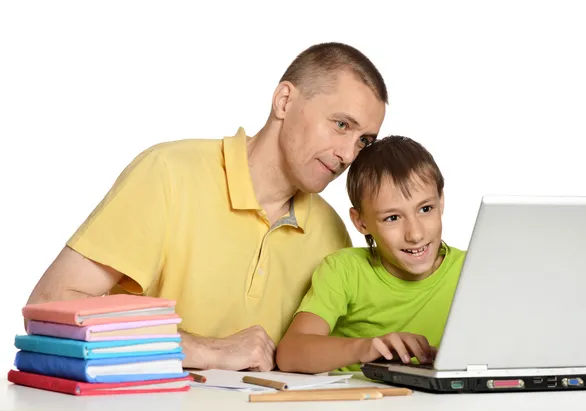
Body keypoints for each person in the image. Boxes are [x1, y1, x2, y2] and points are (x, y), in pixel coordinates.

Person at [25, 42, 387, 372]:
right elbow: (49, 307)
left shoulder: (333, 232)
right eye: (341, 125)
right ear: (284, 101)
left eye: (363, 141)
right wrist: (205, 350)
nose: (347, 155)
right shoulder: (167, 173)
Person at [275, 135, 466, 373]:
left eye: (425, 209)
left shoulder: (472, 270)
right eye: (392, 218)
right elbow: (290, 353)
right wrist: (366, 348)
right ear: (361, 222)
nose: (415, 234)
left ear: (442, 201)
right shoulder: (344, 270)